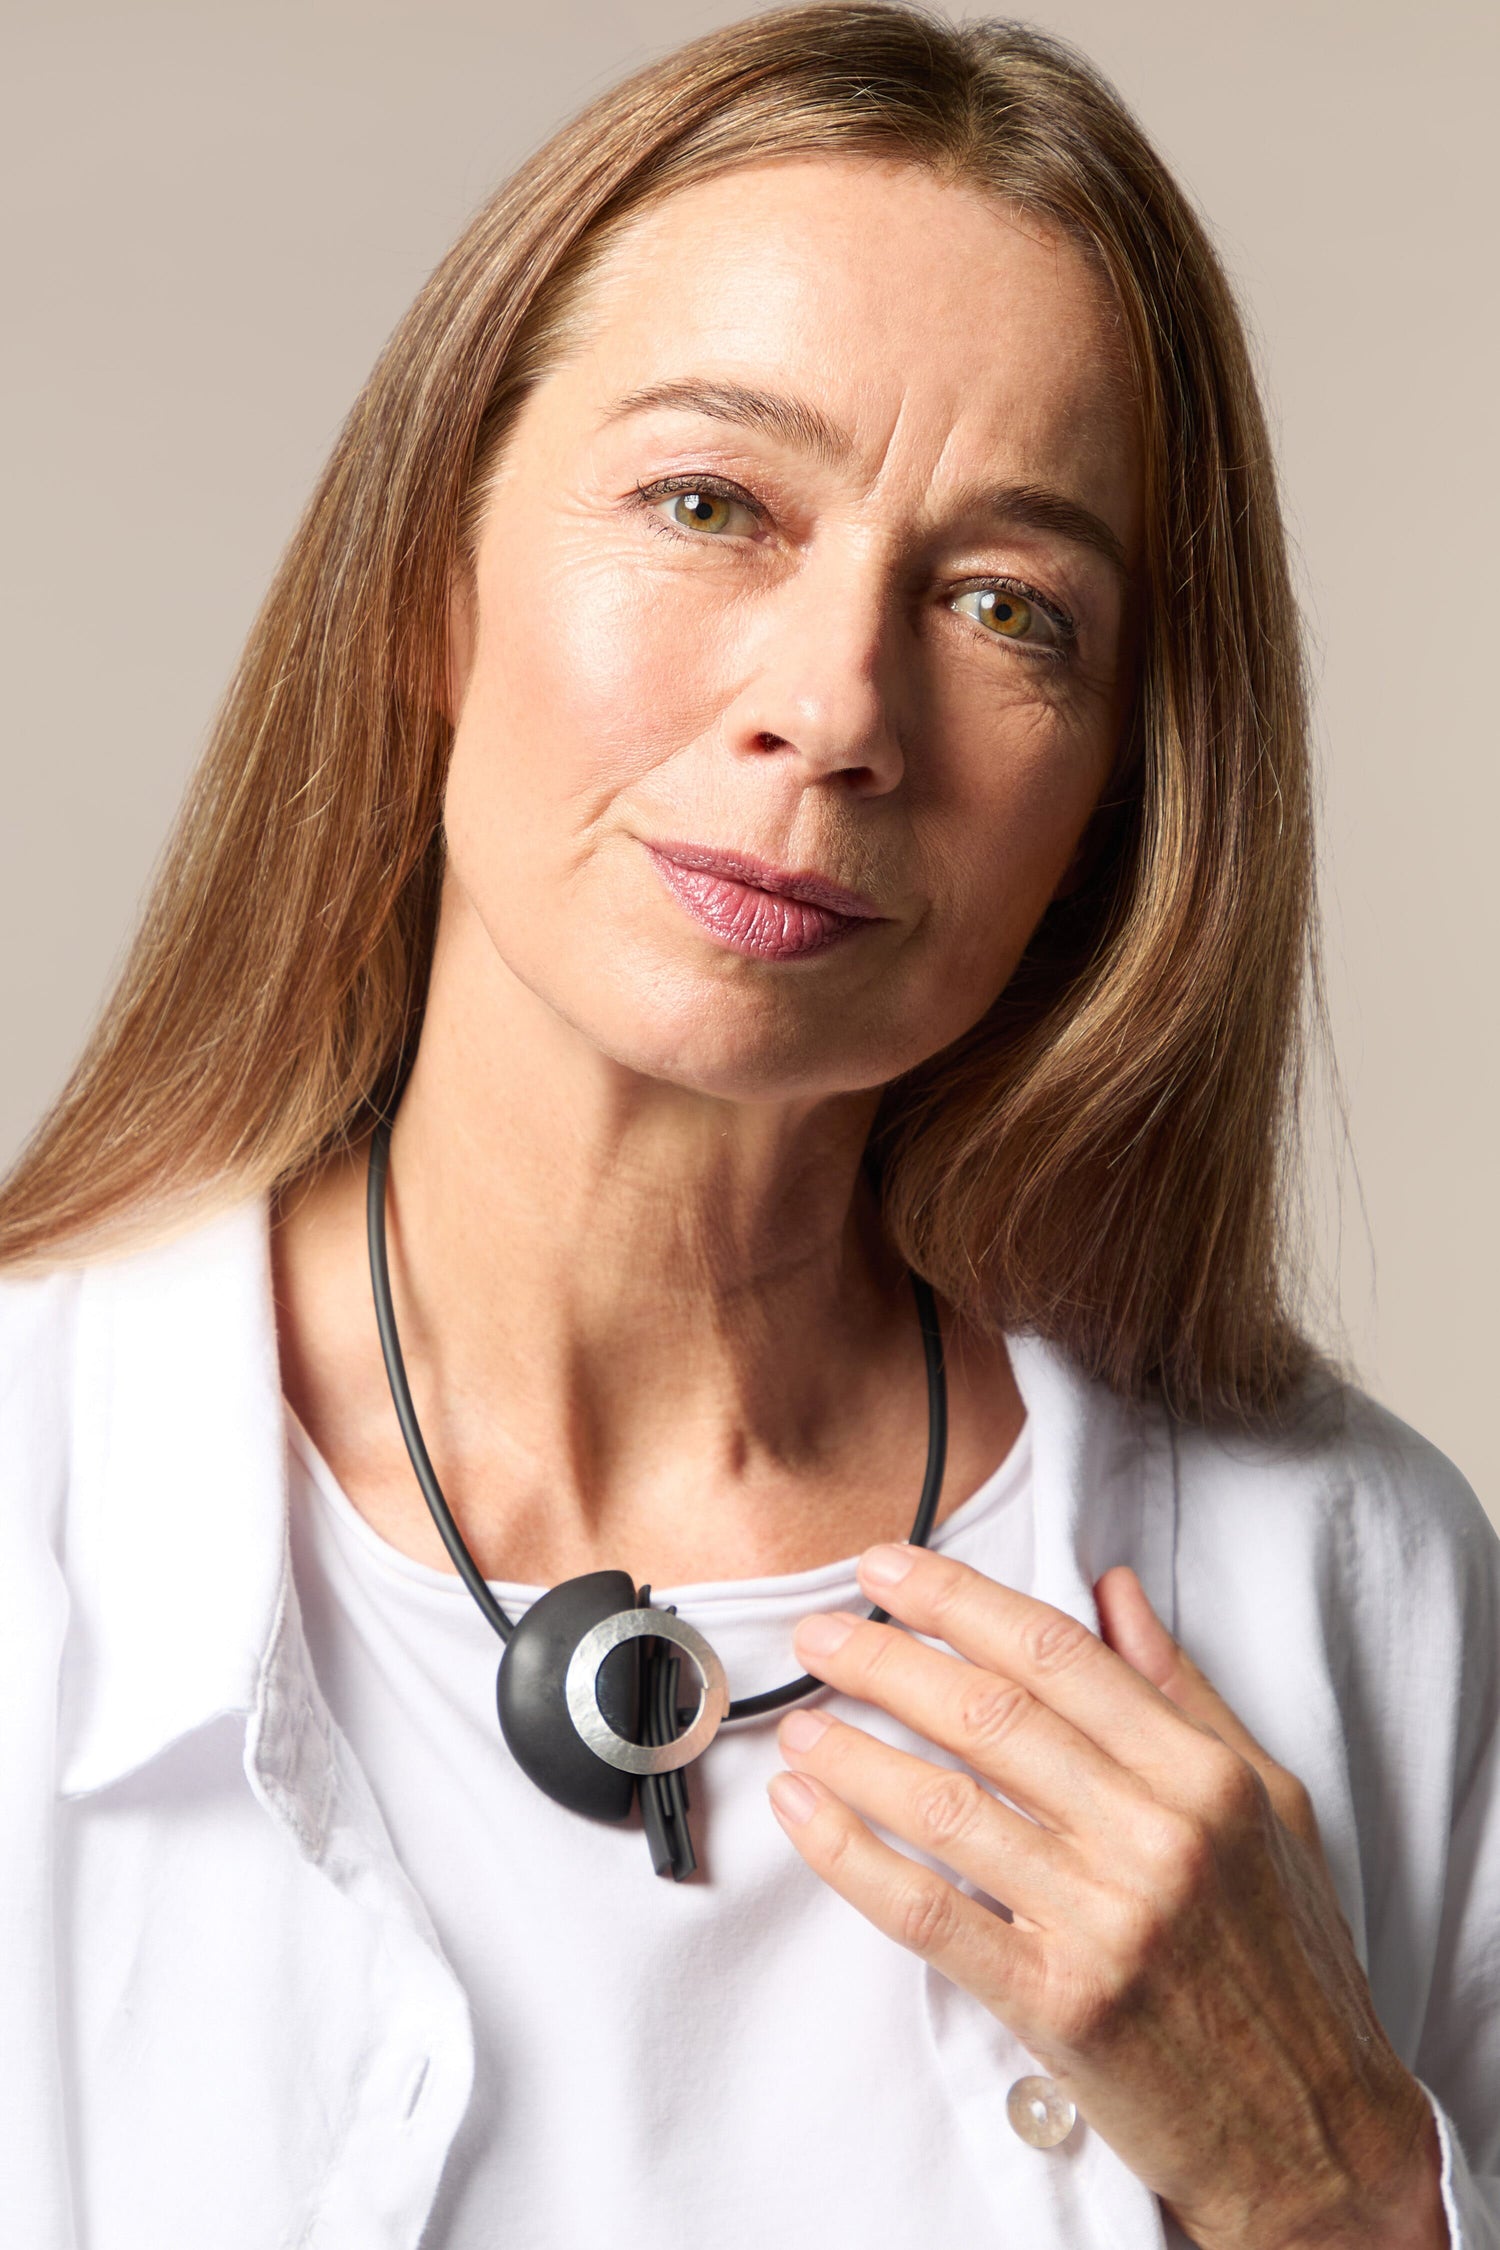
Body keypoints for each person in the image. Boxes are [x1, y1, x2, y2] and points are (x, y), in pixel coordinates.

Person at [1, 5, 1495, 2246]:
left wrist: (1340, 2187)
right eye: (709, 503)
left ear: (1116, 796)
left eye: (1010, 605)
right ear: (432, 580)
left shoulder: (1343, 1578)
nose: (836, 707)